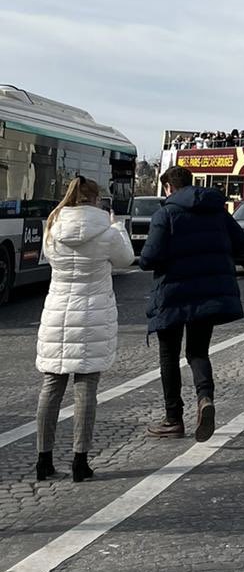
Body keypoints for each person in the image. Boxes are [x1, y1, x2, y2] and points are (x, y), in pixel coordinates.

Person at [34, 176, 135, 481]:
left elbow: (50, 258)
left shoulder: (53, 225)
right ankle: (80, 460)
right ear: (95, 199)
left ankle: (43, 459)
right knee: (86, 389)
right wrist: (118, 227)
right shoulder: (105, 229)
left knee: (51, 388)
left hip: (57, 312)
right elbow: (126, 259)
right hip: (93, 315)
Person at [140, 165, 244, 441]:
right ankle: (205, 399)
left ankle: (173, 419)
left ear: (168, 188)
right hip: (208, 293)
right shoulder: (216, 211)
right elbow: (243, 244)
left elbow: (148, 259)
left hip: (173, 293)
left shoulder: (166, 213)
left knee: (169, 357)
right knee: (198, 352)